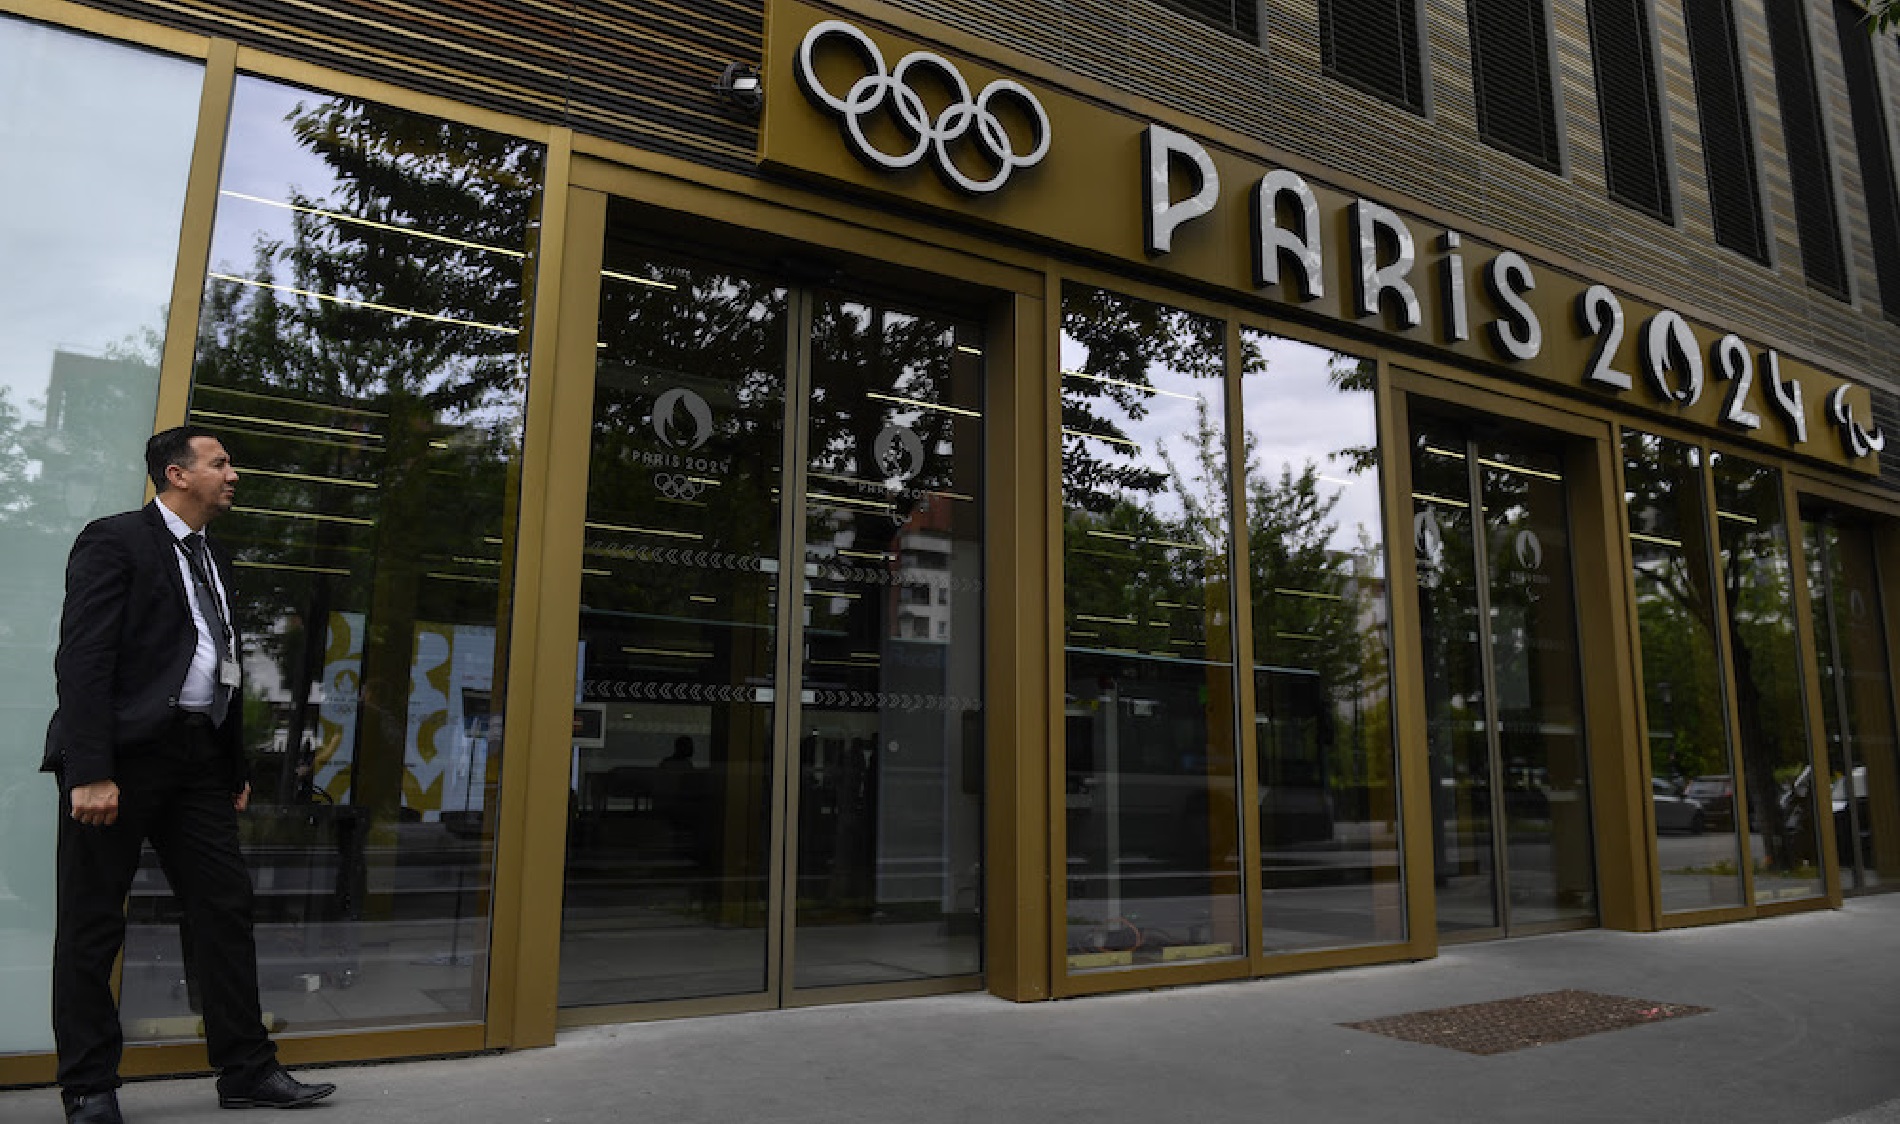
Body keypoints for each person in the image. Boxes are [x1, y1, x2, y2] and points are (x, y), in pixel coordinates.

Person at [40, 426, 336, 1123]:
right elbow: (83, 660)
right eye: (220, 463)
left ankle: (247, 1070)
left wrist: (232, 764)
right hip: (121, 760)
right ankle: (88, 1086)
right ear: (177, 474)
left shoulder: (213, 556)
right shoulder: (115, 540)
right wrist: (90, 769)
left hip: (198, 761)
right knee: (92, 923)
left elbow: (219, 659)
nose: (233, 474)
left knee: (224, 910)